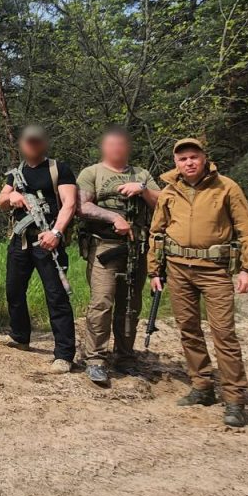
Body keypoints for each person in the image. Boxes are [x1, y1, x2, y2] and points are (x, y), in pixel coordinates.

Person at [148, 138, 248, 428]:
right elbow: (156, 232)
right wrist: (154, 271)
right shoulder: (169, 191)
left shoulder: (226, 187)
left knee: (224, 333)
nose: (189, 163)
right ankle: (202, 386)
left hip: (214, 271)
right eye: (182, 158)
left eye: (193, 157)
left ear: (204, 158)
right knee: (188, 329)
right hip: (177, 270)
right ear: (176, 163)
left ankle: (234, 399)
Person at [77, 126, 161, 385]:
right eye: (112, 144)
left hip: (136, 249)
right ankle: (96, 359)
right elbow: (81, 205)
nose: (117, 149)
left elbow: (163, 203)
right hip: (104, 247)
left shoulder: (142, 174)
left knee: (130, 305)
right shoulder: (92, 173)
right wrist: (114, 216)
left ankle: (125, 356)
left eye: (121, 144)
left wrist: (143, 189)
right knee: (102, 302)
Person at [0, 125, 77, 372]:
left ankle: (64, 353)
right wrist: (13, 198)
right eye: (27, 142)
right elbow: (1, 200)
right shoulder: (16, 173)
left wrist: (56, 233)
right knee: (14, 289)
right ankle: (19, 336)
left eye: (36, 141)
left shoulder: (57, 169)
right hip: (21, 240)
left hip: (47, 240)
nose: (31, 146)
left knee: (56, 295)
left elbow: (70, 203)